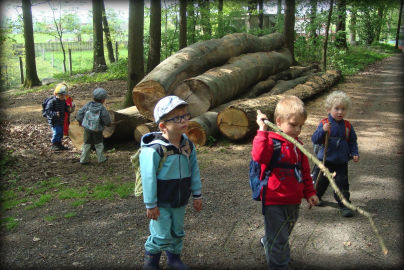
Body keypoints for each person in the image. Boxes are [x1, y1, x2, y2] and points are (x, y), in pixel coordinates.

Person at [251, 95, 319, 270]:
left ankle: (269, 241)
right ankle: (279, 265)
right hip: (274, 199)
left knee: (283, 233)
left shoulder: (299, 146)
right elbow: (258, 156)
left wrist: (310, 192)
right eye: (293, 125)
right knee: (280, 239)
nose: (297, 130)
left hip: (293, 200)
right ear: (279, 122)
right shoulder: (270, 142)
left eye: (300, 126)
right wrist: (262, 130)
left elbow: (304, 172)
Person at [140, 95, 202, 270]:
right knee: (161, 235)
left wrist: (197, 194)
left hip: (180, 199)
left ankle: (174, 259)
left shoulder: (188, 145)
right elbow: (148, 178)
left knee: (177, 231)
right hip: (161, 201)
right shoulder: (155, 150)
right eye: (177, 118)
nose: (184, 120)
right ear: (163, 126)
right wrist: (151, 204)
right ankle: (151, 262)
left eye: (185, 115)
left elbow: (194, 170)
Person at [311, 90, 359, 217]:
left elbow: (353, 141)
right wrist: (323, 130)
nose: (340, 112)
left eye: (343, 109)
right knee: (320, 181)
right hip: (325, 161)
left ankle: (344, 205)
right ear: (329, 109)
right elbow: (315, 139)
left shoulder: (347, 126)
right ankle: (316, 198)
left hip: (341, 162)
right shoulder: (324, 124)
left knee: (342, 184)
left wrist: (354, 152)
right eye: (336, 108)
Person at [75, 88, 111, 164]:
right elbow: (106, 118)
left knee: (86, 143)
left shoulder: (88, 105)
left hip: (87, 128)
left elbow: (79, 114)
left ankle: (84, 159)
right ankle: (101, 159)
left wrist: (80, 121)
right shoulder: (102, 108)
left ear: (93, 97)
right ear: (103, 100)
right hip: (97, 129)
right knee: (99, 144)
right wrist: (108, 124)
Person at [45, 83, 73, 151]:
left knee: (60, 132)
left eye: (63, 96)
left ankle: (59, 144)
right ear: (56, 94)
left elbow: (65, 107)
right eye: (61, 96)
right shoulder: (52, 101)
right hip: (54, 121)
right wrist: (54, 114)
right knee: (57, 132)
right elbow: (47, 111)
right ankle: (54, 144)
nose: (62, 97)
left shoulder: (63, 101)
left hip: (61, 119)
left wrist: (68, 109)